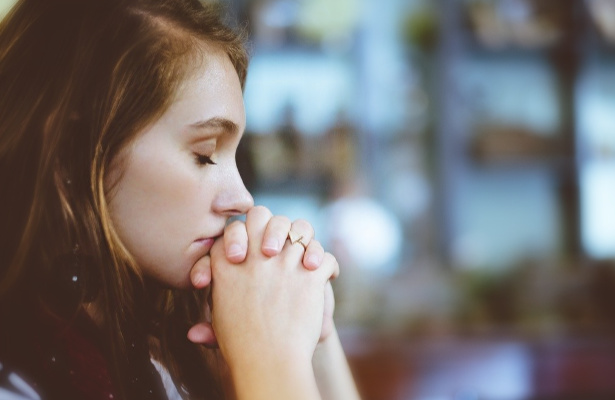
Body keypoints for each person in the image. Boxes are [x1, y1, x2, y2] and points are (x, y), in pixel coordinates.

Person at [0, 0, 360, 399]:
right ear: (73, 152)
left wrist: (314, 338)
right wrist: (270, 359)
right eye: (204, 154)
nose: (243, 199)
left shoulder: (164, 354)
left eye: (234, 156)